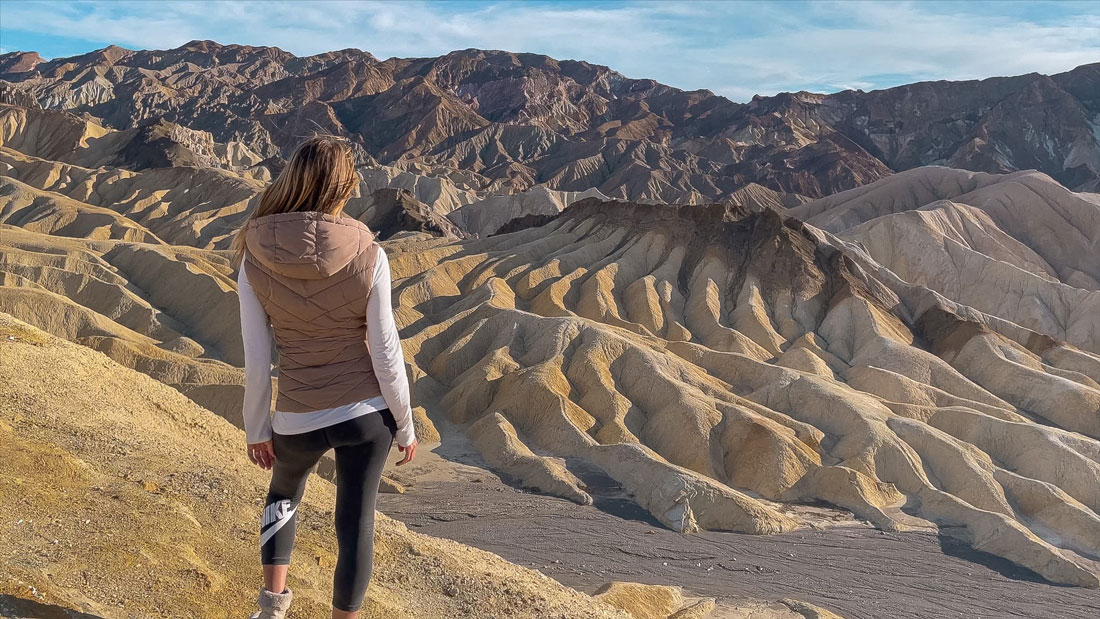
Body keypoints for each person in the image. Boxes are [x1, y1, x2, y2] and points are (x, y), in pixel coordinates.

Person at [233, 135, 418, 619]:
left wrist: (257, 429)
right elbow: (385, 349)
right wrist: (405, 422)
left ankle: (273, 607)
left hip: (297, 411)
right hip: (365, 415)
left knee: (282, 495)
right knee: (355, 522)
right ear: (345, 186)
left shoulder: (252, 255)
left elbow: (257, 356)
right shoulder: (371, 254)